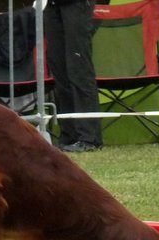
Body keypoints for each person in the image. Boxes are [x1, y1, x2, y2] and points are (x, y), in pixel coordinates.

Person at [44, 0, 103, 152]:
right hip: (52, 5)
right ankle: (69, 136)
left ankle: (89, 138)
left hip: (77, 4)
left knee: (79, 69)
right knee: (59, 68)